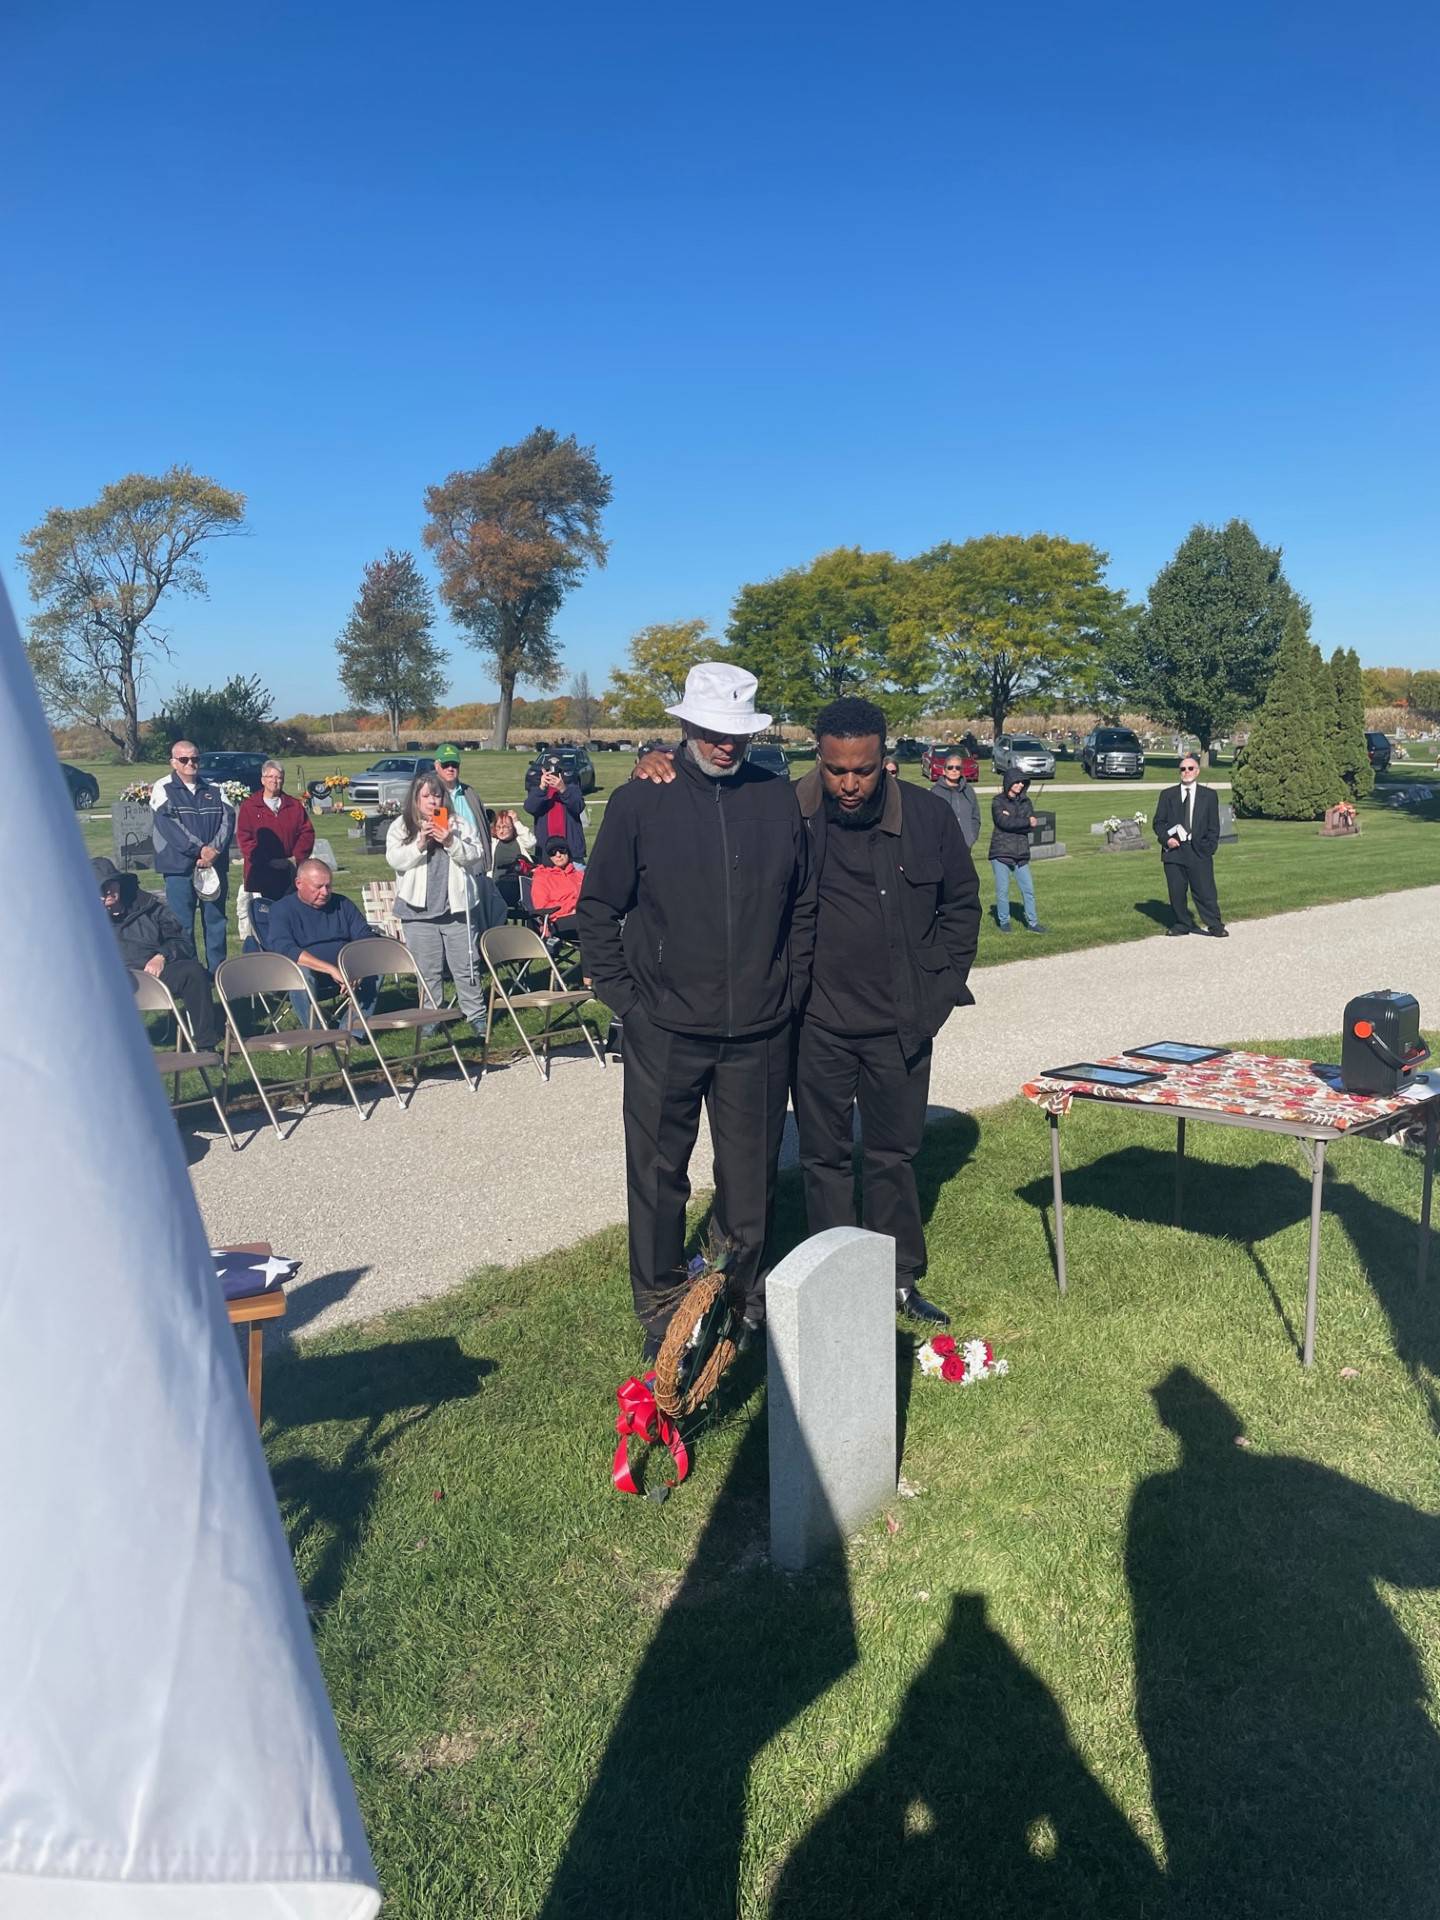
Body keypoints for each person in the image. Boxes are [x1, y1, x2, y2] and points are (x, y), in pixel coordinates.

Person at [576, 662, 816, 1365]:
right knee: (657, 1173)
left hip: (759, 1032)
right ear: (684, 726)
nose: (723, 745)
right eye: (710, 732)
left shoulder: (775, 800)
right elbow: (597, 911)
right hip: (666, 1029)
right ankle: (658, 1303)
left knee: (750, 1179)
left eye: (735, 733)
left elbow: (801, 904)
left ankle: (736, 1296)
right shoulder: (639, 803)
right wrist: (630, 1002)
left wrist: (789, 984)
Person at [793, 698, 980, 1327]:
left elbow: (962, 907)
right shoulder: (789, 813)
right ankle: (833, 1273)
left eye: (864, 770)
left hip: (901, 1021)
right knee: (824, 1157)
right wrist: (661, 759)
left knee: (892, 1154)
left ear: (885, 761)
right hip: (815, 1023)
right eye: (835, 769)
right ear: (818, 759)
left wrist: (937, 994)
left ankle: (898, 1277)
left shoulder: (927, 819)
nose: (849, 784)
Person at [386, 773, 506, 1030]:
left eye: (436, 795)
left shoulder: (459, 823)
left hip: (457, 908)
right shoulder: (402, 825)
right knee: (428, 970)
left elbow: (475, 856)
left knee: (466, 965)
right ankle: (431, 1020)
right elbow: (395, 860)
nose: (432, 801)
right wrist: (419, 842)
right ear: (416, 799)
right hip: (418, 911)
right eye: (426, 796)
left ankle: (475, 1015)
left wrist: (450, 840)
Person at [92, 857, 221, 1050]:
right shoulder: (86, 919)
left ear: (118, 883)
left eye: (110, 885)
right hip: (114, 981)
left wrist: (162, 956)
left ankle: (205, 1045)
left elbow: (181, 941)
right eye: (100, 888)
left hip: (155, 974)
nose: (107, 892)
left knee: (193, 971)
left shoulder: (148, 907)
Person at [149, 740, 234, 973]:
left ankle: (219, 972)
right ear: (173, 762)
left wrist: (214, 851)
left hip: (213, 866)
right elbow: (170, 826)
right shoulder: (163, 788)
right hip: (179, 867)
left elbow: (228, 818)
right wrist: (199, 850)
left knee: (216, 921)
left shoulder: (214, 788)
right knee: (183, 924)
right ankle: (191, 973)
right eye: (184, 759)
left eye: (195, 759)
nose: (190, 764)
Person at [265, 858, 379, 1029]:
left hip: (347, 968)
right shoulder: (281, 910)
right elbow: (285, 949)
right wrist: (331, 969)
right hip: (310, 974)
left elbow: (365, 936)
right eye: (318, 887)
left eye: (328, 886)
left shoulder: (342, 904)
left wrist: (357, 966)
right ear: (299, 883)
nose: (325, 892)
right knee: (301, 973)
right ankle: (318, 1038)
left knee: (374, 964)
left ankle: (353, 1030)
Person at [235, 759, 314, 947]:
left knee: (291, 913)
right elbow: (245, 838)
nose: (274, 781)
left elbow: (307, 833)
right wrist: (268, 861)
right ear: (262, 780)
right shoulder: (250, 806)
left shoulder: (293, 805)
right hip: (262, 872)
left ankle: (292, 948)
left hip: (290, 871)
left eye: (279, 778)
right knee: (266, 917)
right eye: (270, 777)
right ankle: (268, 950)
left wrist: (295, 858)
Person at [1153, 754, 1227, 936]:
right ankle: (1182, 924)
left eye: (1190, 768)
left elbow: (1213, 825)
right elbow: (1158, 823)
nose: (1186, 772)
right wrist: (1166, 840)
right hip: (1174, 851)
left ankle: (1215, 926)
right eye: (1183, 769)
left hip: (1199, 850)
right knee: (1177, 892)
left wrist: (1209, 847)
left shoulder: (1209, 795)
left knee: (1205, 891)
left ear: (1197, 771)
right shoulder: (1167, 795)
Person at [988, 776, 1047, 934]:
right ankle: (1004, 922)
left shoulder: (1026, 802)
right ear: (1009, 782)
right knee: (1003, 890)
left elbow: (1030, 826)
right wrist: (1025, 821)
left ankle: (1033, 923)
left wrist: (1018, 821)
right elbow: (1003, 823)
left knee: (1028, 890)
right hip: (1001, 852)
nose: (1020, 785)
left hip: (1021, 854)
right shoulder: (998, 801)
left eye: (1023, 783)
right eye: (1017, 782)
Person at [433, 744, 494, 871]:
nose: (450, 768)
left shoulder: (470, 792)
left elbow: (483, 829)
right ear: (437, 766)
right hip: (447, 865)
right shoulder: (431, 795)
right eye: (446, 765)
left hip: (475, 861)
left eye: (454, 764)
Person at [524, 754, 587, 861]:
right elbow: (529, 807)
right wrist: (542, 787)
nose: (552, 775)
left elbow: (578, 807)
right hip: (547, 851)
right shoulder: (538, 790)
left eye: (556, 771)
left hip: (571, 850)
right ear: (543, 771)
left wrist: (563, 789)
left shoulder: (572, 788)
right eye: (549, 771)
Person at [530, 841, 584, 938]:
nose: (558, 855)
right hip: (556, 921)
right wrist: (573, 906)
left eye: (562, 850)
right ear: (548, 856)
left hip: (582, 914)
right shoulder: (542, 878)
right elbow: (542, 908)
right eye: (553, 852)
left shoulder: (578, 875)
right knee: (591, 922)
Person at [487, 807, 535, 914]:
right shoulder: (493, 843)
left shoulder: (519, 841)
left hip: (519, 889)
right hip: (496, 889)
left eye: (505, 827)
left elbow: (531, 842)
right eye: (498, 827)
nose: (501, 830)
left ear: (512, 828)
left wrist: (516, 821)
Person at [932, 752, 982, 848]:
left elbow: (975, 816)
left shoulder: (968, 790)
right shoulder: (936, 792)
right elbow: (930, 820)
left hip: (965, 844)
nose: (954, 770)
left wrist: (972, 837)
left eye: (957, 768)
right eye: (950, 767)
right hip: (943, 846)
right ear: (944, 771)